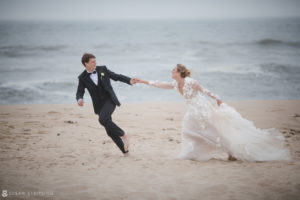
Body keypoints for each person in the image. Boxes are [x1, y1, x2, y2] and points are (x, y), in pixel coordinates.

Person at [135, 64, 291, 161]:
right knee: (188, 130)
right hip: (192, 111)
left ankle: (231, 151)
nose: (171, 71)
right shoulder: (175, 83)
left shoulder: (190, 81)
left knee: (213, 131)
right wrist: (142, 81)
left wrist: (218, 100)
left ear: (180, 72)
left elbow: (204, 90)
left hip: (202, 108)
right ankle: (194, 153)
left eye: (173, 70)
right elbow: (160, 84)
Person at [76, 53, 138, 157]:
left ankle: (124, 135)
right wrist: (79, 99)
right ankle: (125, 152)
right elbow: (79, 91)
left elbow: (116, 76)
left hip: (110, 100)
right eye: (92, 62)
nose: (95, 63)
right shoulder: (82, 77)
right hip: (99, 105)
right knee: (109, 131)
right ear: (85, 63)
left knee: (102, 120)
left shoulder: (102, 69)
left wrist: (129, 80)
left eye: (95, 61)